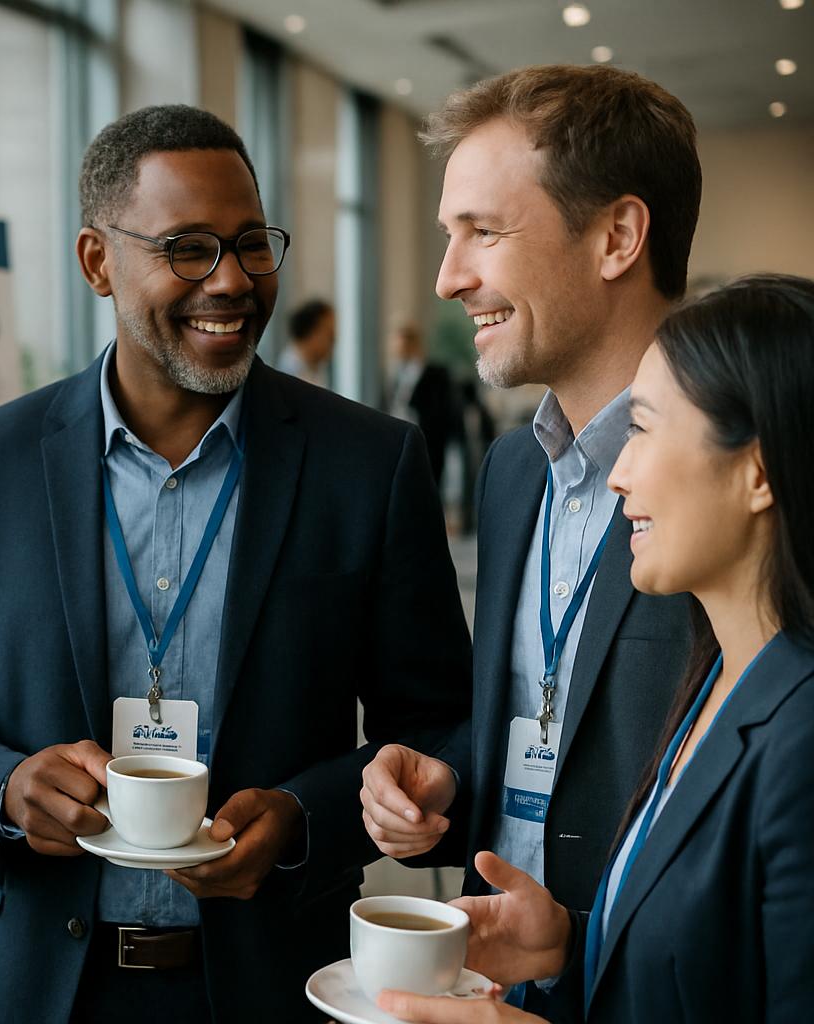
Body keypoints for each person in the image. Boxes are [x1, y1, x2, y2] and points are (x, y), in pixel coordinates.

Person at [0, 104, 471, 1023]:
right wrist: (4, 788)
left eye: (250, 245)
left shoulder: (368, 465)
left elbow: (436, 726)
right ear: (97, 262)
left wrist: (304, 817)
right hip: (33, 984)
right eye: (187, 249)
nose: (230, 280)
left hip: (272, 984)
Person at [376, 274, 814, 1024]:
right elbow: (705, 969)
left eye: (643, 429)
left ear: (757, 471)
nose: (618, 474)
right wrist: (567, 946)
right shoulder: (717, 679)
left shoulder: (799, 737)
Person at [358, 65, 702, 1017]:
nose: (448, 277)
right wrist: (448, 783)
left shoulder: (739, 478)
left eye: (485, 232)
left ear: (617, 237)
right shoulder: (516, 471)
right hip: (500, 978)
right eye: (449, 235)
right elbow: (547, 718)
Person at [387, 323, 455, 486]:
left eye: (401, 346)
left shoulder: (437, 374)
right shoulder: (396, 375)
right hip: (399, 443)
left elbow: (443, 412)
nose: (396, 351)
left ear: (413, 345)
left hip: (428, 444)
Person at [280, 297, 335, 387]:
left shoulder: (313, 368)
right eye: (330, 336)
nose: (333, 343)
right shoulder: (292, 372)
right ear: (313, 332)